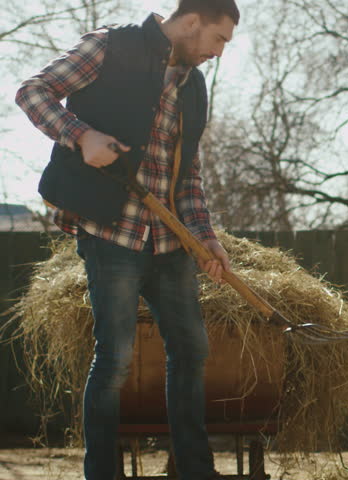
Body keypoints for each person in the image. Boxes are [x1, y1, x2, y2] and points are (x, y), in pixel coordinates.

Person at [16, 1, 239, 478]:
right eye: (219, 39)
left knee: (192, 350)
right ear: (193, 21)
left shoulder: (193, 86)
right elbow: (33, 92)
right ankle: (102, 472)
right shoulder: (110, 46)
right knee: (115, 358)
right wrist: (81, 136)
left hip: (170, 241)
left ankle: (195, 470)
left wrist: (206, 239)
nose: (219, 53)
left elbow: (188, 175)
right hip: (111, 232)